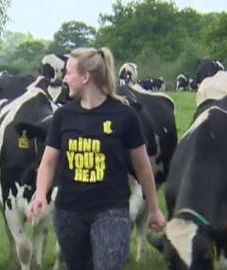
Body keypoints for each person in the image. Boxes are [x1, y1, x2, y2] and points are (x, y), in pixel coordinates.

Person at [27, 47, 165, 270]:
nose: (65, 79)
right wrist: (41, 194)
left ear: (86, 77)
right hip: (68, 213)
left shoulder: (125, 116)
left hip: (111, 212)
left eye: (69, 73)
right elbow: (49, 161)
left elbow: (142, 166)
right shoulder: (63, 116)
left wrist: (155, 208)